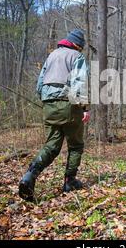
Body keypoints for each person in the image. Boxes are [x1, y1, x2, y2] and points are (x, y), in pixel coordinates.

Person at [18, 29, 90, 202]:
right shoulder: (76, 56)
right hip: (69, 105)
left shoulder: (52, 56)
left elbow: (40, 82)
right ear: (78, 45)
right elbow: (80, 82)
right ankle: (69, 181)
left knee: (52, 146)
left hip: (48, 105)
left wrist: (46, 100)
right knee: (75, 145)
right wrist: (85, 107)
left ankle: (29, 176)